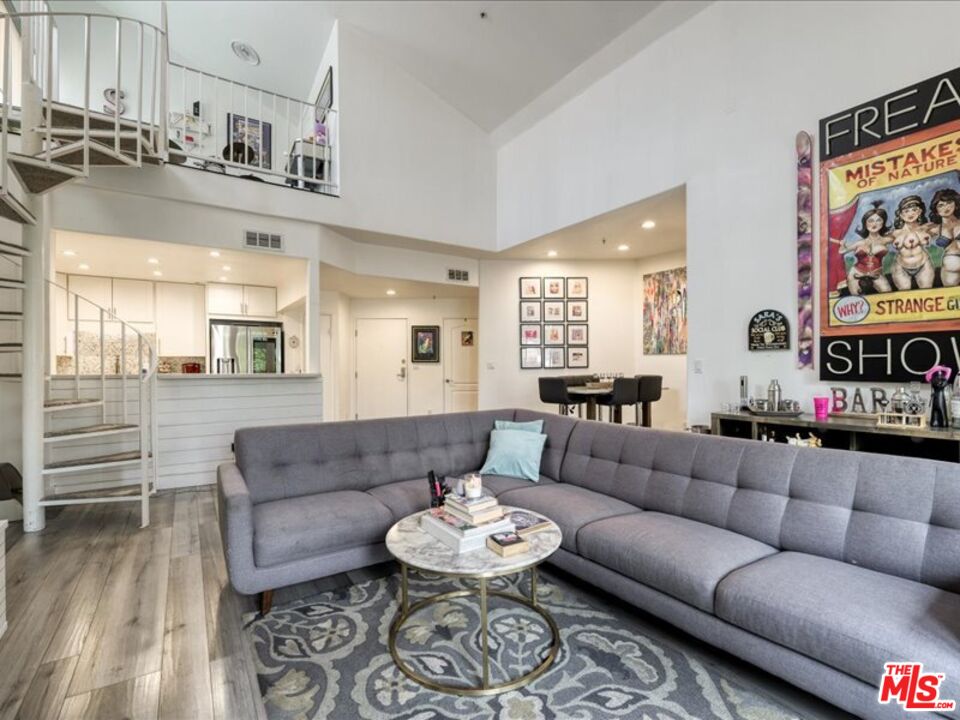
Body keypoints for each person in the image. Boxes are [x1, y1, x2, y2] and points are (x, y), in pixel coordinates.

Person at [845, 201, 892, 295]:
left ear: (883, 222)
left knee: (888, 294)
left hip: (876, 274)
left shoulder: (887, 239)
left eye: (878, 220)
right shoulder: (860, 242)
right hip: (856, 273)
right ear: (865, 224)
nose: (874, 224)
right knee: (856, 299)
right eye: (870, 221)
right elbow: (842, 251)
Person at [890, 195, 935, 290]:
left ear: (919, 212)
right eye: (906, 211)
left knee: (927, 292)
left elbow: (944, 227)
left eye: (914, 210)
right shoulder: (895, 233)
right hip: (901, 267)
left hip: (923, 264)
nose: (910, 214)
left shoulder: (926, 227)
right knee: (905, 295)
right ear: (901, 215)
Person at [926, 188, 960, 286]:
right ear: (936, 210)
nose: (946, 207)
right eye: (941, 205)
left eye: (949, 202)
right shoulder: (935, 228)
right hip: (950, 270)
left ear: (956, 204)